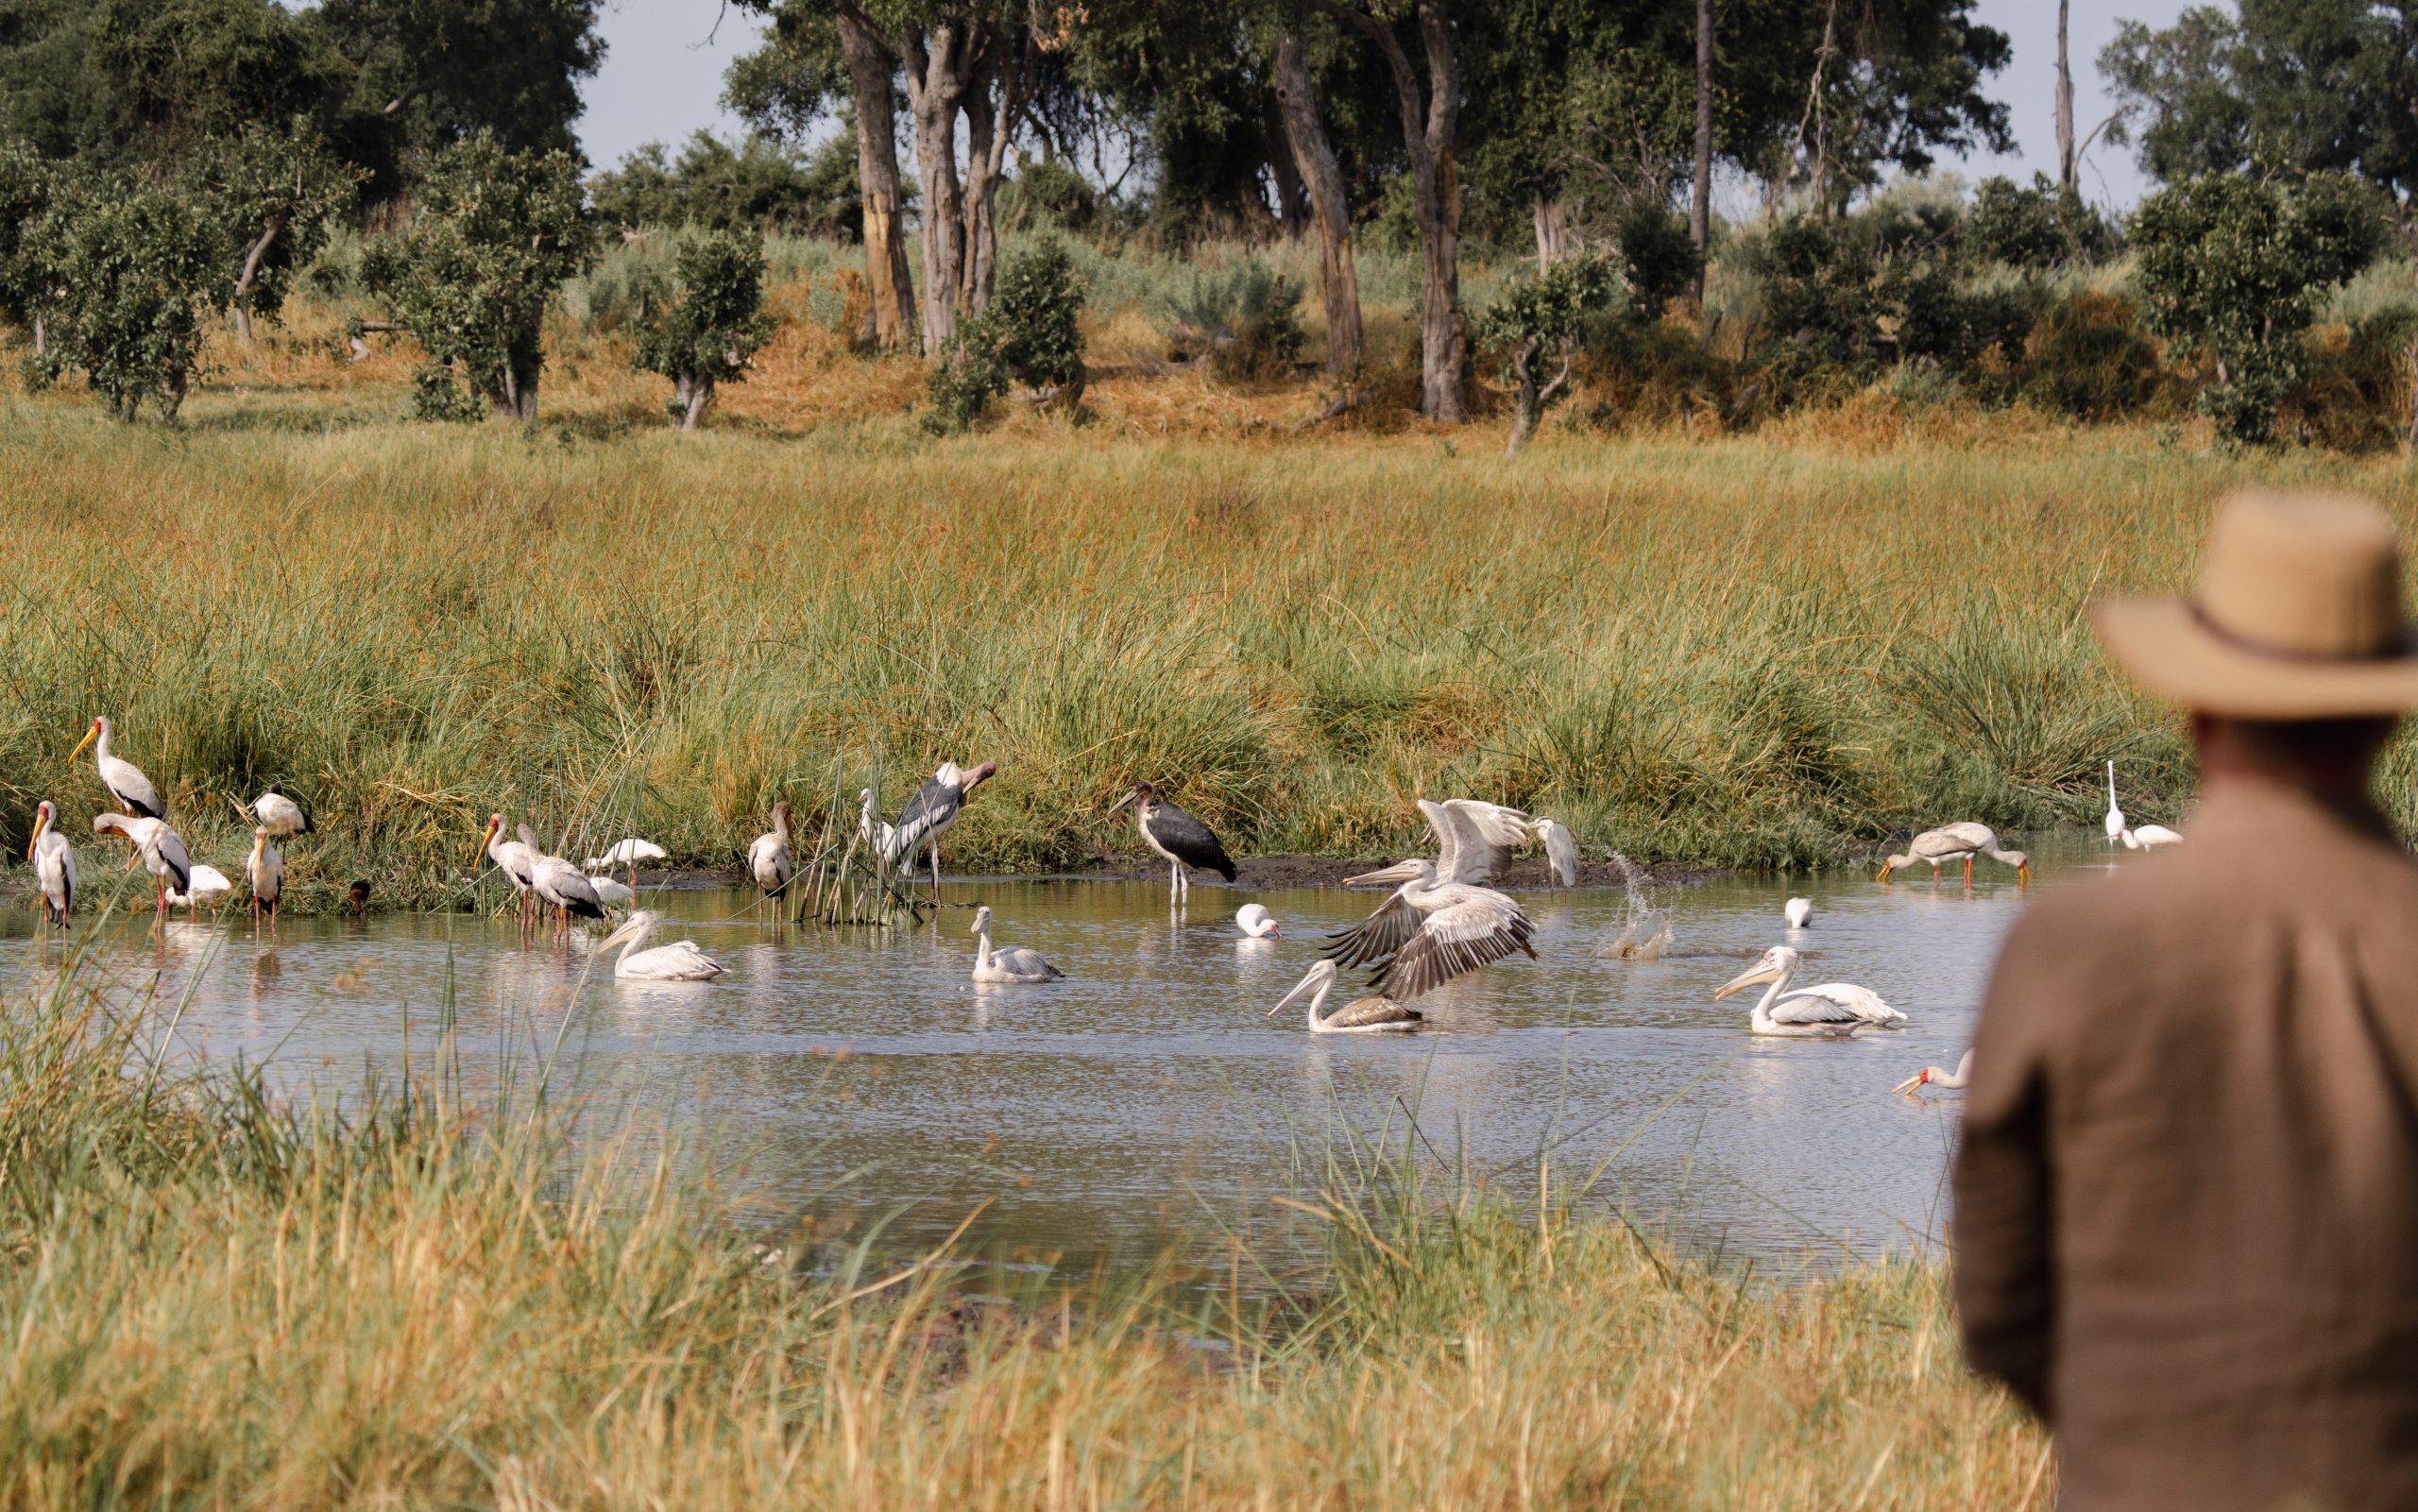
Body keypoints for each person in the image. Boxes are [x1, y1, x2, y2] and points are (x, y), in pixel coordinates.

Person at [1956, 489, 2418, 1511]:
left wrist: (2150, 1431)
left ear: (2199, 707)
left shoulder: (2067, 947)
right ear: (2390, 715)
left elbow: (1996, 1308)